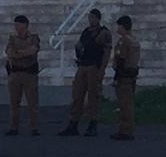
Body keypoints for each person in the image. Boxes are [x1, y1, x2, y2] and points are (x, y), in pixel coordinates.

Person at [59, 8, 113, 138]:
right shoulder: (86, 32)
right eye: (90, 17)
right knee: (77, 95)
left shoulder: (103, 33)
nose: (91, 20)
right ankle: (74, 123)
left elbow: (106, 53)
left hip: (94, 66)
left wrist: (102, 70)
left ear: (98, 19)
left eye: (93, 17)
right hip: (83, 65)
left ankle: (93, 124)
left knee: (93, 97)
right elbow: (80, 46)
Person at [5, 15, 42, 137]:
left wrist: (18, 53)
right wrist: (22, 53)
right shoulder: (12, 39)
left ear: (25, 25)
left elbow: (33, 50)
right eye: (15, 24)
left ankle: (34, 127)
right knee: (14, 102)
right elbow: (9, 52)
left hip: (29, 73)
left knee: (32, 102)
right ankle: (14, 127)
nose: (16, 27)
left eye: (18, 24)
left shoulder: (33, 38)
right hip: (15, 73)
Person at [111, 15, 140, 141]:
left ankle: (125, 130)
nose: (117, 28)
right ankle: (128, 129)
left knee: (124, 104)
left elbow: (121, 59)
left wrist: (116, 77)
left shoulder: (123, 41)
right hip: (132, 74)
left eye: (119, 25)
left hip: (124, 75)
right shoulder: (134, 40)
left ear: (123, 26)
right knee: (128, 104)